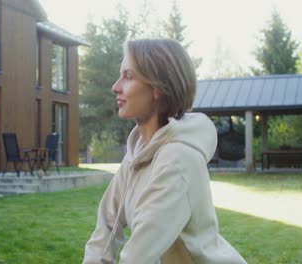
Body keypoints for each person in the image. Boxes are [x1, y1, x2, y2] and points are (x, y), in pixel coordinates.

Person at [83, 38, 246, 264]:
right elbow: (107, 229)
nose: (115, 86)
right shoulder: (138, 153)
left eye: (128, 76)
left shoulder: (178, 161)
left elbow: (138, 256)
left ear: (157, 88)